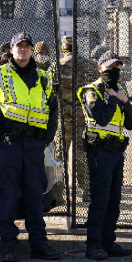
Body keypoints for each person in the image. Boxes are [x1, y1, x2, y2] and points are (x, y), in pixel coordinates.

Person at [0, 32, 62, 262]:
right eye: (18, 47)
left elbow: (53, 110)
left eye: (27, 46)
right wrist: (3, 121)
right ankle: (9, 246)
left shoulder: (44, 77)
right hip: (10, 144)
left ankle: (39, 245)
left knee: (35, 196)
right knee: (7, 196)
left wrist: (46, 138)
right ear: (11, 50)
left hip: (34, 146)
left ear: (32, 50)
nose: (23, 50)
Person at [78, 53, 132, 260]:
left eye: (118, 66)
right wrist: (114, 98)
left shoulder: (121, 91)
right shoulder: (92, 91)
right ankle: (93, 245)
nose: (115, 70)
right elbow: (101, 119)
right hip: (99, 153)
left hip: (116, 154)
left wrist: (125, 101)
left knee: (114, 200)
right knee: (100, 200)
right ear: (100, 68)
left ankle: (107, 242)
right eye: (111, 66)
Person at [54, 36, 88, 197]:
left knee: (61, 152)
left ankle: (61, 189)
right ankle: (88, 190)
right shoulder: (90, 65)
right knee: (81, 152)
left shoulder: (58, 65)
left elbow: (50, 91)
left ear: (64, 47)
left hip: (64, 115)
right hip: (82, 115)